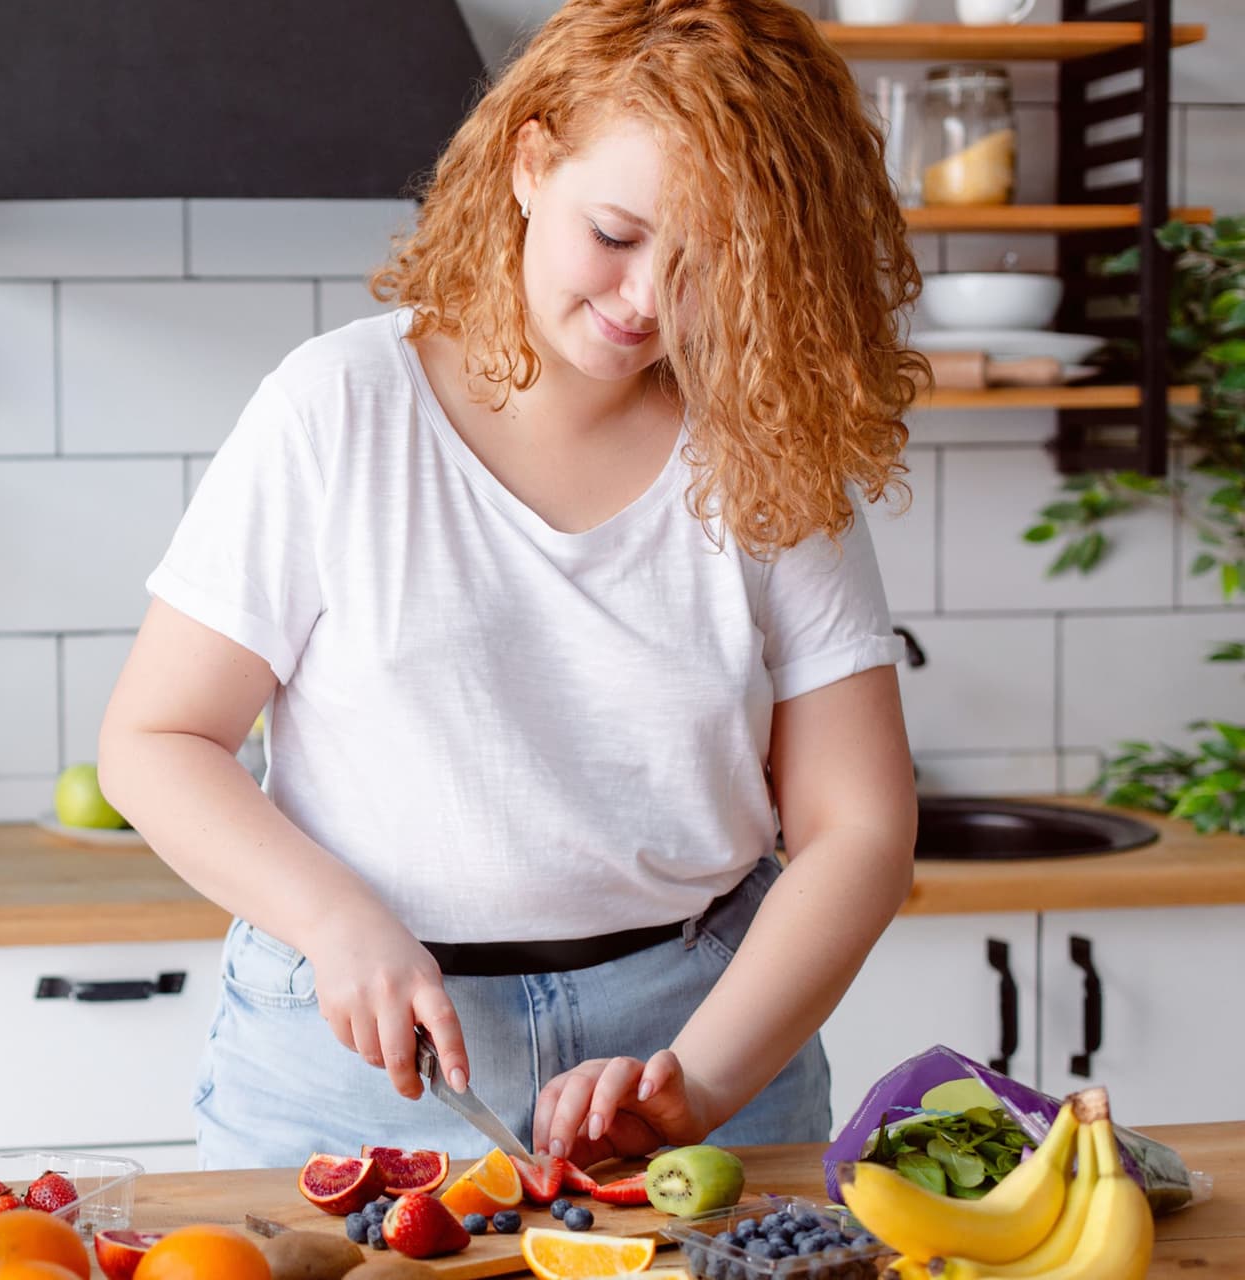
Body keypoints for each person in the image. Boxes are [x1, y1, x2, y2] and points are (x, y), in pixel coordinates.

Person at [97, 0, 923, 1173]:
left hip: (698, 1034)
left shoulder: (763, 444)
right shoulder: (335, 408)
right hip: (358, 1053)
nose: (644, 299)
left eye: (705, 264)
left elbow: (862, 827)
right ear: (531, 164)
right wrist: (335, 919)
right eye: (618, 232)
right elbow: (154, 737)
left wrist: (696, 1079)